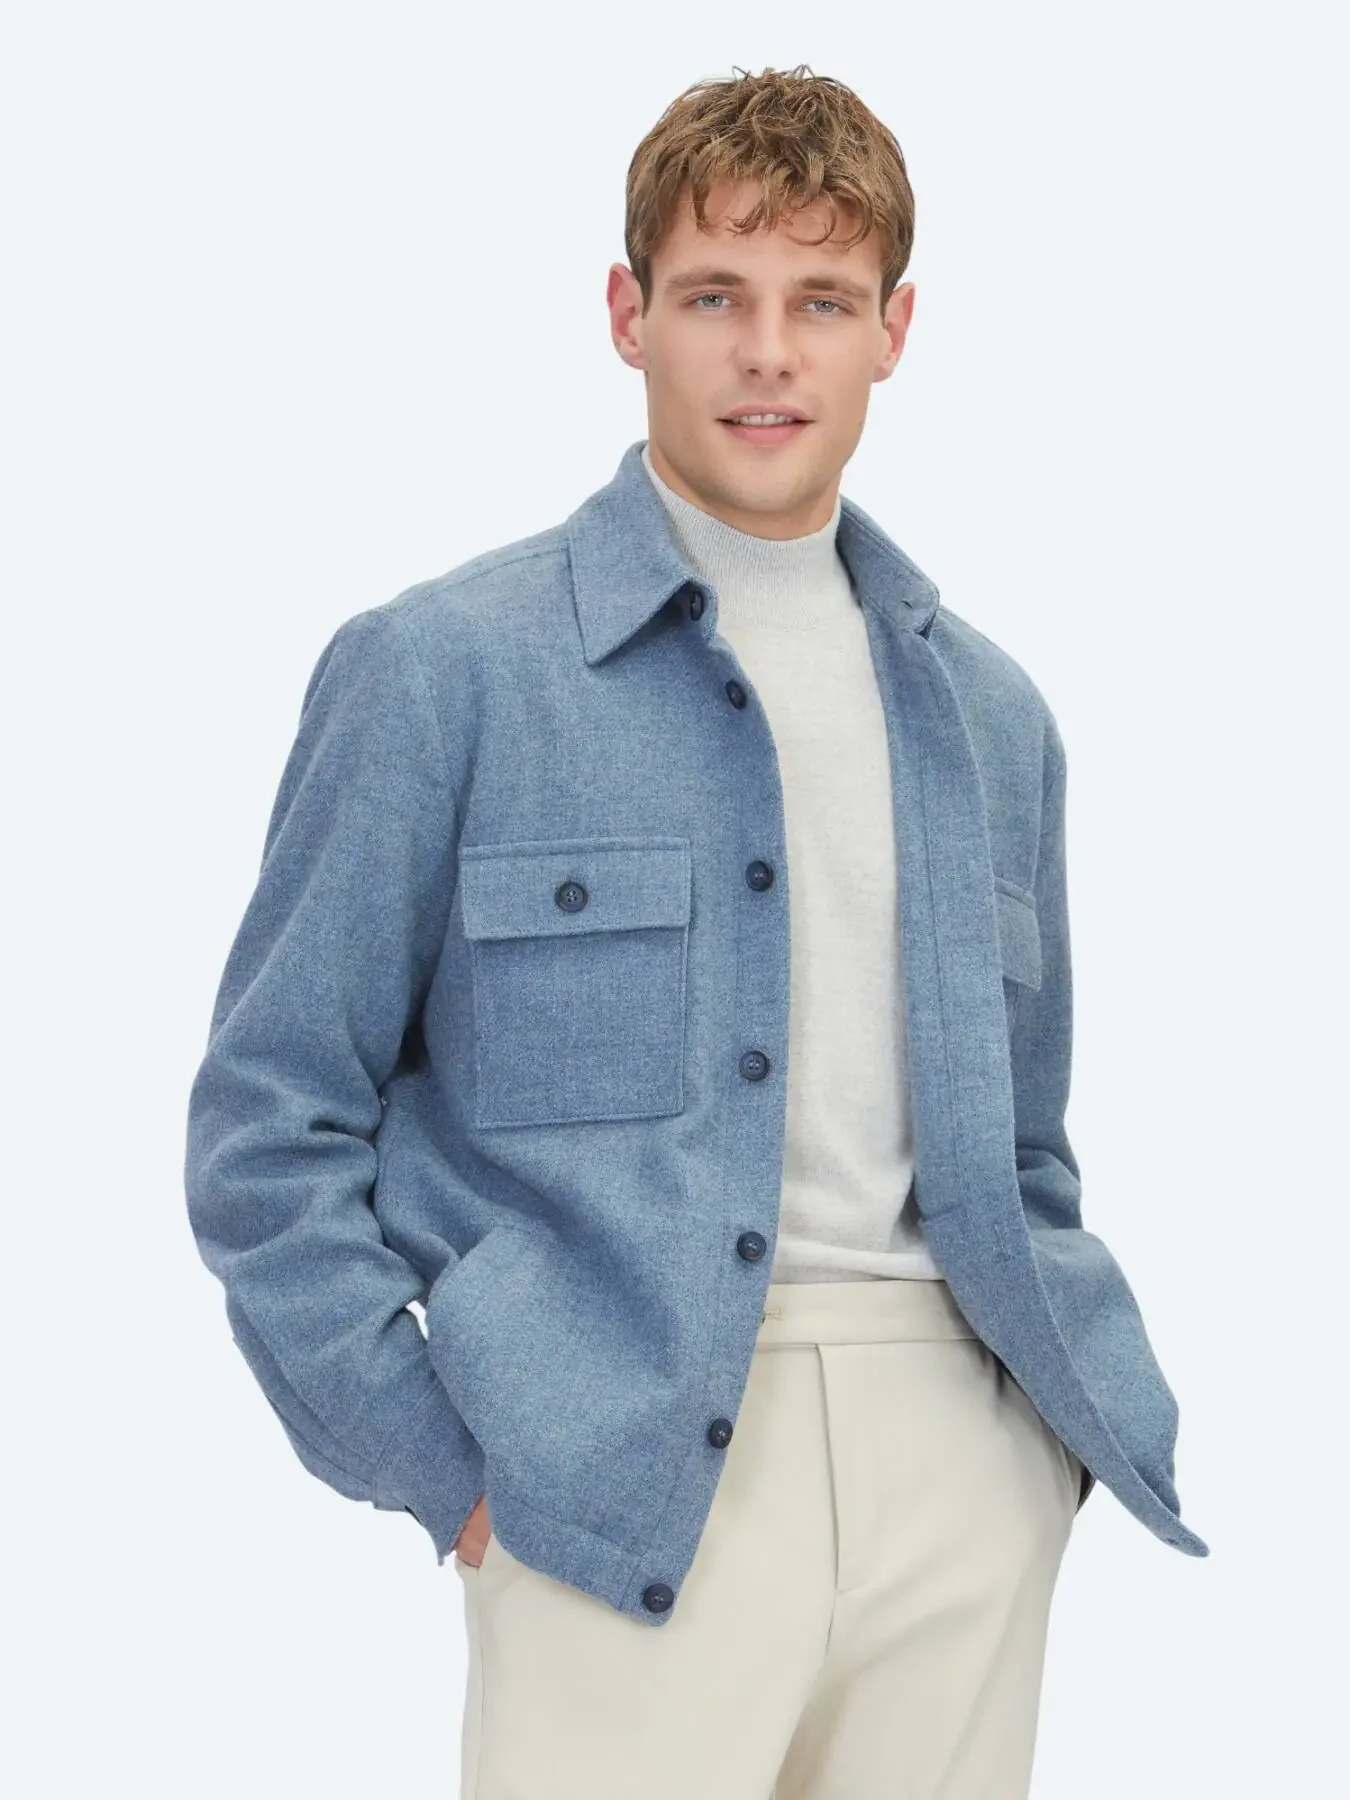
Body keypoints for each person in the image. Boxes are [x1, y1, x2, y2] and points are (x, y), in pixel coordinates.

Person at [185, 62, 1206, 1800]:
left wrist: (1035, 1457)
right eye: (714, 296)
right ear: (625, 314)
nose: (765, 355)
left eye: (821, 302)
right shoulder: (442, 672)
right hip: (611, 1478)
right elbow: (267, 1130)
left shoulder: (993, 717)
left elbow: (1023, 1146)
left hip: (958, 1466)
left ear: (892, 331)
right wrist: (441, 1466)